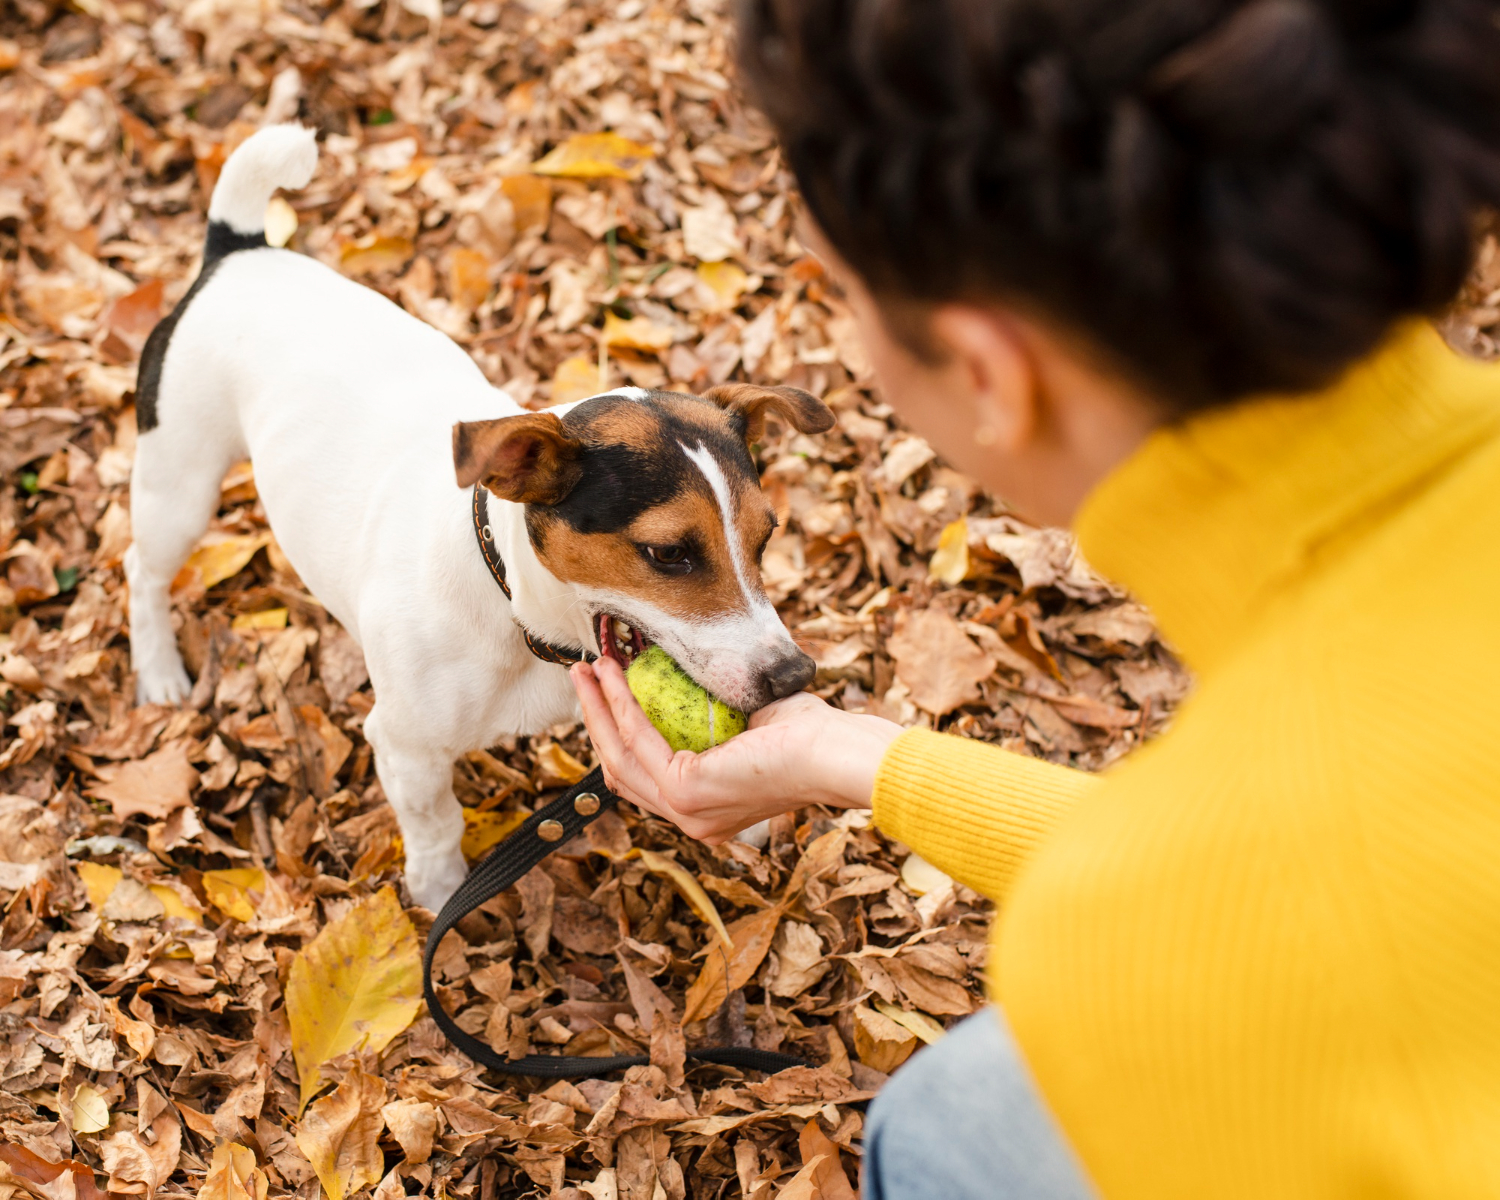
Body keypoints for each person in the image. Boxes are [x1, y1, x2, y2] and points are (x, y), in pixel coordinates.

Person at [571, 0, 1500, 1196]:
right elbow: (1332, 872)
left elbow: (1274, 902)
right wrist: (855, 756)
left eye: (843, 296)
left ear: (988, 373)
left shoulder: (1130, 968)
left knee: (940, 1126)